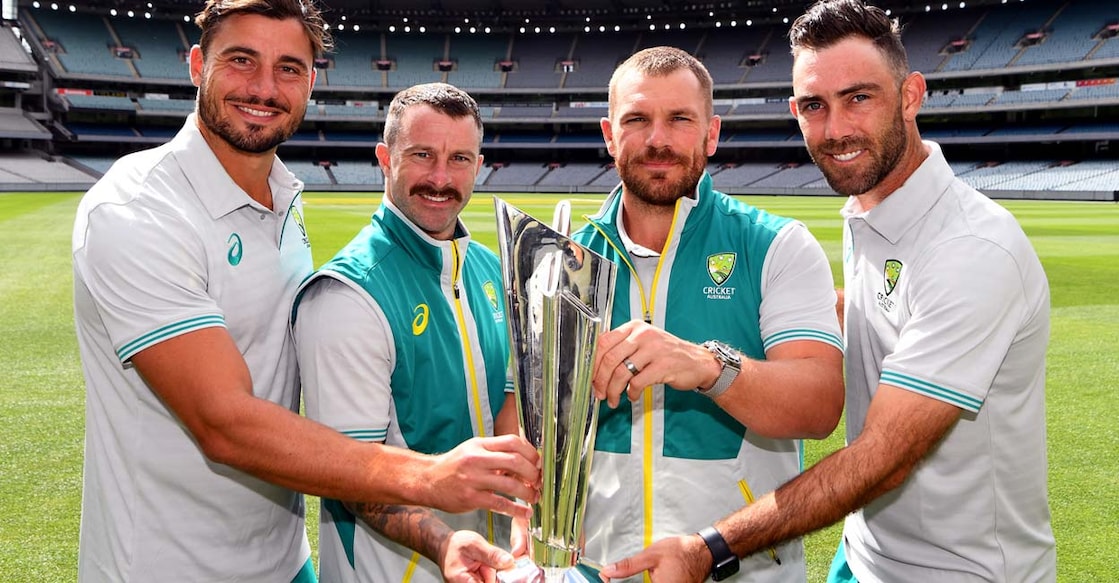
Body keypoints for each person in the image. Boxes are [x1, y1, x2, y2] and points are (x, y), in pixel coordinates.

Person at [71, 2, 538, 580]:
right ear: (197, 65)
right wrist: (428, 476)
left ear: (311, 82)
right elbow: (224, 422)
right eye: (242, 60)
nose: (265, 87)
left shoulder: (282, 201)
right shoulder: (140, 210)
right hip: (168, 566)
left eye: (289, 68)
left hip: (282, 562)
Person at [599, 1, 1055, 582]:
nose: (837, 130)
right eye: (816, 106)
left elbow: (880, 463)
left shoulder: (972, 248)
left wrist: (707, 547)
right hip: (865, 556)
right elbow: (883, 311)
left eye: (859, 98)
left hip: (958, 571)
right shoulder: (873, 212)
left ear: (911, 95)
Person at [564, 46, 845, 583]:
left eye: (679, 120)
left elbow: (819, 403)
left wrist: (710, 367)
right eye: (637, 119)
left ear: (711, 134)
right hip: (599, 571)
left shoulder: (776, 245)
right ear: (608, 134)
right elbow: (533, 421)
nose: (657, 140)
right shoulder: (564, 262)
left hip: (741, 570)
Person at [293, 82, 520, 583]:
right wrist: (444, 542)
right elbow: (352, 476)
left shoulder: (488, 268)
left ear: (478, 166)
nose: (441, 178)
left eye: (459, 158)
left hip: (488, 562)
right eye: (422, 155)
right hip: (397, 569)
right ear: (385, 158)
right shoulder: (347, 296)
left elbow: (506, 403)